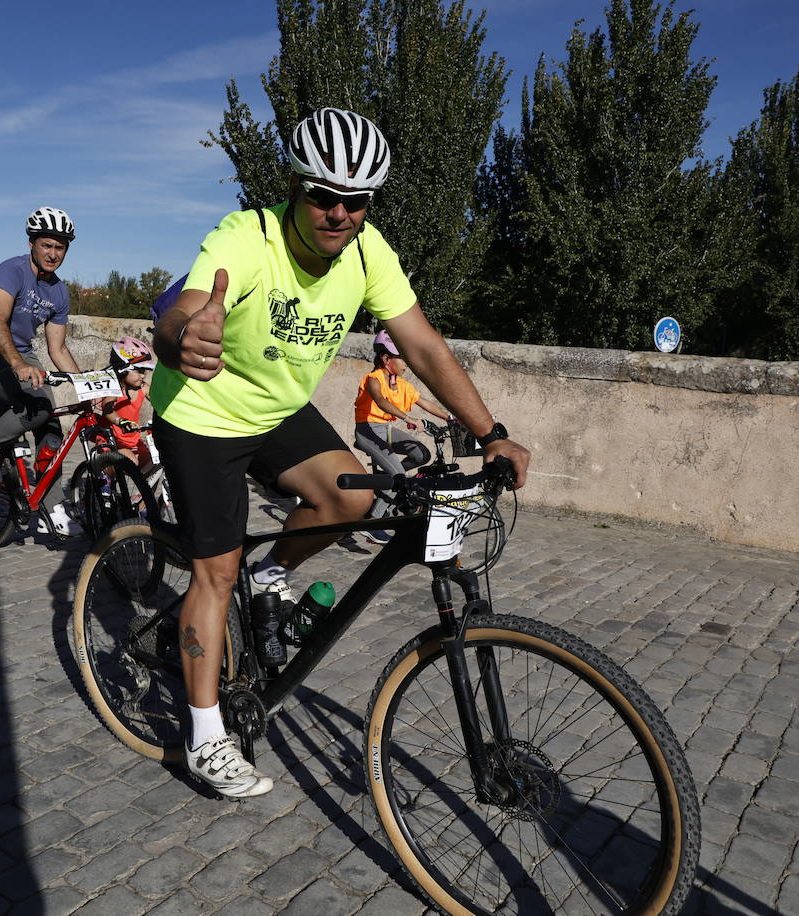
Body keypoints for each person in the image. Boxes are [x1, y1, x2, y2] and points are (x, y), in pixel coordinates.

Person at [150, 108, 532, 797]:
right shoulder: (245, 236)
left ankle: (271, 575)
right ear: (294, 187)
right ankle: (205, 733)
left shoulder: (367, 252)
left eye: (355, 201)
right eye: (323, 195)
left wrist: (490, 431)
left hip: (274, 408)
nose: (338, 213)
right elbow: (185, 309)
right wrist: (181, 336)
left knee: (352, 495)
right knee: (215, 567)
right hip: (201, 412)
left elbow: (422, 345)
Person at [0, 206, 85, 537]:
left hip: (23, 355)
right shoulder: (10, 271)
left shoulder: (59, 291)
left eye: (60, 247)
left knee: (52, 426)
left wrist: (87, 384)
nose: (53, 253)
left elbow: (58, 349)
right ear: (32, 242)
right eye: (47, 245)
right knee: (38, 406)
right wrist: (18, 365)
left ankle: (52, 504)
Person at [354, 329, 453, 543]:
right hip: (368, 430)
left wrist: (450, 418)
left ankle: (387, 479)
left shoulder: (402, 385)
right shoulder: (373, 379)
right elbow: (381, 401)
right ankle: (372, 522)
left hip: (387, 430)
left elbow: (424, 402)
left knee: (421, 454)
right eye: (403, 359)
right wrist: (408, 419)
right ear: (386, 358)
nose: (406, 364)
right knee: (400, 478)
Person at [98, 336, 155, 470]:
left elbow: (158, 399)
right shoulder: (115, 388)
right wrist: (121, 422)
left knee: (153, 463)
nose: (143, 375)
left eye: (144, 371)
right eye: (138, 371)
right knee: (130, 461)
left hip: (132, 439)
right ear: (122, 369)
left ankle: (145, 491)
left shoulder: (142, 387)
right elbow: (108, 409)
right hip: (112, 439)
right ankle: (103, 480)